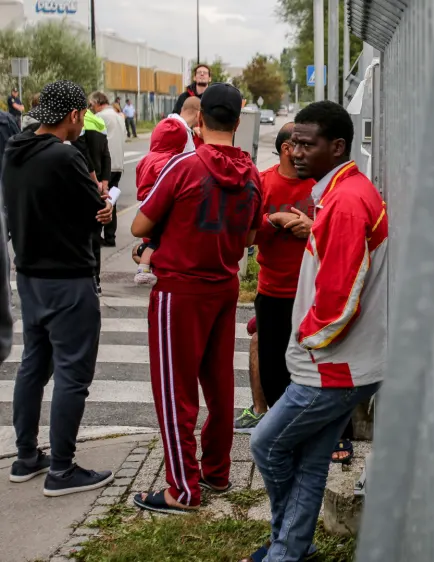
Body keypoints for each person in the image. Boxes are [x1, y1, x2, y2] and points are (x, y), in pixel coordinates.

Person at [247, 101, 387, 562]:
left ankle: (287, 545)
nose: (296, 151)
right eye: (293, 143)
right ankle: (291, 550)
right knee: (308, 463)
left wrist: (305, 342)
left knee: (265, 445)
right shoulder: (343, 192)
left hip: (331, 368)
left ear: (338, 146)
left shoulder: (346, 202)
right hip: (344, 364)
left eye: (308, 144)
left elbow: (338, 298)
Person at [131, 83, 262, 515]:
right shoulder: (253, 174)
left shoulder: (185, 165)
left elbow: (138, 225)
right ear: (239, 123)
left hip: (180, 290)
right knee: (219, 384)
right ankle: (218, 471)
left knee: (176, 390)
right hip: (223, 286)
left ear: (199, 119)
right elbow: (249, 237)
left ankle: (182, 490)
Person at [3, 80, 114, 496]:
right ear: (71, 116)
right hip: (67, 277)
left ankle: (26, 455)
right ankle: (63, 470)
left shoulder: (15, 149)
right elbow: (95, 210)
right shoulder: (65, 157)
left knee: (34, 363)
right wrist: (102, 206)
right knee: (72, 373)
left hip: (29, 276)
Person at [234, 122, 316, 433]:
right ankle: (269, 419)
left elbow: (338, 230)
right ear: (286, 149)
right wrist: (273, 220)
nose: (309, 153)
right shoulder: (263, 182)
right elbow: (246, 237)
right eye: (304, 146)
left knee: (311, 362)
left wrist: (313, 228)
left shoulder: (319, 184)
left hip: (311, 291)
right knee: (271, 363)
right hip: (272, 291)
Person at [131, 97, 202, 285]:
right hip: (162, 204)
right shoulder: (170, 159)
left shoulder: (148, 158)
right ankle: (144, 269)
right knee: (158, 241)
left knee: (153, 239)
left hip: (146, 204)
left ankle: (145, 263)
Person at [71, 95, 112, 294]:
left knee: (83, 235)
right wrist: (104, 181)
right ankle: (95, 279)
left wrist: (95, 180)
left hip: (85, 182)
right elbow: (106, 152)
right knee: (95, 235)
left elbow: (83, 156)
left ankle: (88, 279)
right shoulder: (99, 122)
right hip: (96, 184)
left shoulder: (78, 125)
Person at [94, 92, 126, 247]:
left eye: (92, 105)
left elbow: (97, 140)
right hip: (119, 163)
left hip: (107, 164)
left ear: (98, 103)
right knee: (111, 200)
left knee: (102, 199)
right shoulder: (118, 116)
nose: (92, 108)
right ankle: (110, 236)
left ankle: (98, 234)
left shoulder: (101, 117)